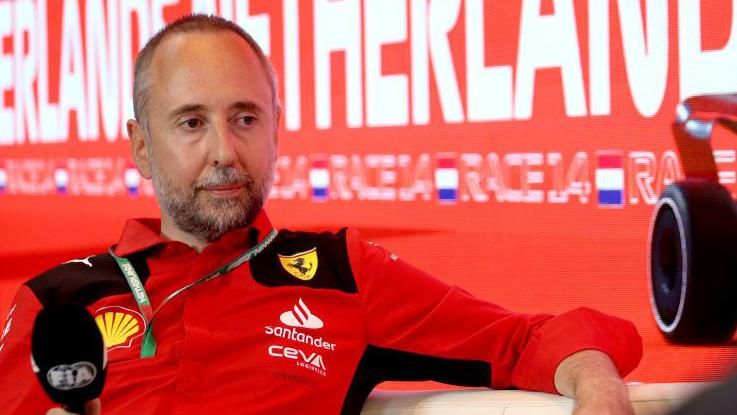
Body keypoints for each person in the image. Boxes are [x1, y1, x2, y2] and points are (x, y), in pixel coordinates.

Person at [0, 14, 642, 415]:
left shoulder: (340, 274)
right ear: (142, 145)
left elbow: (522, 340)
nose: (225, 152)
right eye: (191, 123)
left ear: (276, 130)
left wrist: (598, 387)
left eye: (245, 119)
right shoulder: (54, 303)